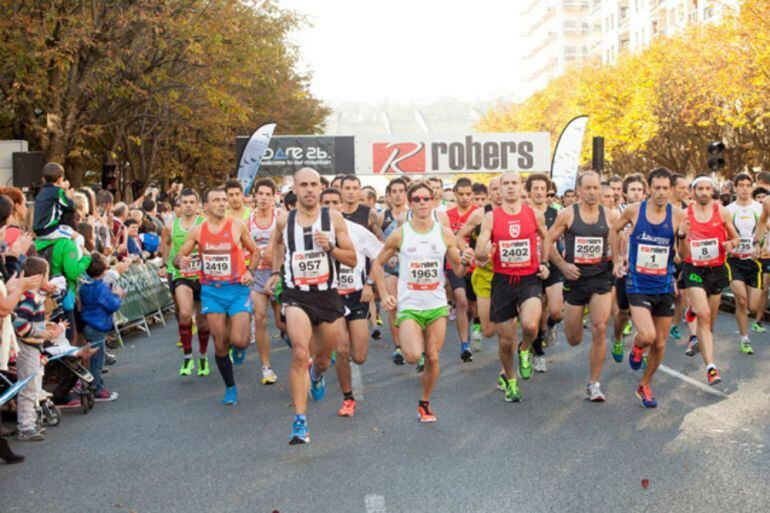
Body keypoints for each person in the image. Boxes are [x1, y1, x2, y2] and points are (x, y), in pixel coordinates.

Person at [264, 168, 357, 445]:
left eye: (313, 184)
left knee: (322, 358)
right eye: (303, 184)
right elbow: (278, 246)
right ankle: (300, 421)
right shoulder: (284, 220)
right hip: (296, 295)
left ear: (321, 187)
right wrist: (275, 272)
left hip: (327, 295)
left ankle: (317, 374)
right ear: (294, 188)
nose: (308, 189)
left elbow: (352, 259)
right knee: (299, 352)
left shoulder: (334, 218)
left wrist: (330, 248)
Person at [372, 180, 474, 422]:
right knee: (412, 355)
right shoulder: (401, 233)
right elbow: (377, 263)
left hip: (436, 305)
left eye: (425, 198)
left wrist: (466, 261)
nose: (421, 203)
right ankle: (415, 364)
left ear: (433, 201)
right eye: (416, 199)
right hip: (409, 306)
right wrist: (385, 295)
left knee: (433, 356)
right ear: (410, 203)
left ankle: (425, 402)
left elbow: (457, 271)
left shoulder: (444, 233)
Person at [174, 187, 258, 405]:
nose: (222, 203)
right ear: (206, 206)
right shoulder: (198, 231)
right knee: (220, 343)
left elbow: (255, 251)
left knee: (240, 340)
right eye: (217, 200)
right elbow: (179, 256)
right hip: (212, 292)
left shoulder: (237, 226)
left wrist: (250, 270)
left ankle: (239, 348)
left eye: (224, 200)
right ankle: (230, 387)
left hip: (237, 289)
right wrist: (179, 261)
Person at [611, 168, 684, 407]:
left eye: (665, 188)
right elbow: (614, 230)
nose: (661, 193)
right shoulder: (635, 210)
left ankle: (644, 385)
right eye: (657, 188)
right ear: (649, 188)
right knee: (648, 335)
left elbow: (681, 256)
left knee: (661, 344)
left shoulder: (678, 215)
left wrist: (683, 239)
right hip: (638, 283)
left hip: (663, 284)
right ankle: (637, 345)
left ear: (671, 190)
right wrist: (617, 258)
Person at [475, 171, 550, 401]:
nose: (509, 187)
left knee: (529, 325)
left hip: (529, 278)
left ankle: (525, 348)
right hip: (503, 281)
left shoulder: (534, 215)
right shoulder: (491, 217)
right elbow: (480, 249)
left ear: (521, 187)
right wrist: (482, 252)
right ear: (500, 189)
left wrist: (545, 262)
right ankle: (511, 381)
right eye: (505, 184)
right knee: (505, 340)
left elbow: (546, 237)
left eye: (513, 183)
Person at [545, 171, 620, 402]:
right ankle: (551, 326)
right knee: (574, 339)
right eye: (587, 188)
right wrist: (562, 265)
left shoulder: (609, 216)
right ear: (579, 189)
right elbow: (547, 241)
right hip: (574, 280)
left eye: (595, 188)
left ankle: (594, 383)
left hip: (600, 278)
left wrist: (617, 264)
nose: (591, 192)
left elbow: (616, 243)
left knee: (599, 328)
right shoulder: (567, 214)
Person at [321, 188, 383, 417]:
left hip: (356, 295)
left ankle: (324, 369)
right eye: (325, 202)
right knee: (342, 349)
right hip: (330, 297)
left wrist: (370, 284)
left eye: (335, 202)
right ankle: (348, 398)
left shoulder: (357, 230)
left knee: (359, 356)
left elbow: (378, 255)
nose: (331, 207)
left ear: (342, 206)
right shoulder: (313, 233)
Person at [680, 175, 739, 385]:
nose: (704, 192)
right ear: (693, 191)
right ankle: (711, 368)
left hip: (716, 269)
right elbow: (679, 246)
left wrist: (731, 244)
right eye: (700, 189)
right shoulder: (684, 214)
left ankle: (692, 312)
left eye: (707, 188)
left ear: (712, 191)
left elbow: (735, 237)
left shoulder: (721, 211)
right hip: (694, 268)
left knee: (709, 322)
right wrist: (680, 236)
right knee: (704, 316)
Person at [160, 188, 210, 377]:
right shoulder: (170, 226)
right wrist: (166, 264)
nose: (188, 206)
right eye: (185, 202)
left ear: (197, 205)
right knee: (185, 313)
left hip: (203, 275)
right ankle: (188, 356)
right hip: (181, 274)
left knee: (204, 323)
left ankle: (203, 356)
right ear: (179, 205)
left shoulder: (204, 224)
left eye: (191, 202)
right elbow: (165, 244)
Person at [13, 257, 61, 441]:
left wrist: (44, 324)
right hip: (28, 346)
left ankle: (32, 421)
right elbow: (21, 324)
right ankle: (26, 426)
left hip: (33, 345)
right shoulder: (30, 298)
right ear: (40, 277)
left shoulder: (32, 297)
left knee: (32, 386)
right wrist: (41, 331)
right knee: (28, 387)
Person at [525, 173, 561, 372]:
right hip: (531, 268)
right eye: (535, 189)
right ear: (528, 192)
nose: (539, 192)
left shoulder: (557, 214)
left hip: (553, 265)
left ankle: (551, 324)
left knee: (556, 311)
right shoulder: (523, 213)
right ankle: (538, 353)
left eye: (542, 189)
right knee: (536, 312)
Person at [724, 173, 763, 355]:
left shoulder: (760, 208)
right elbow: (721, 235)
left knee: (753, 307)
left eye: (748, 185)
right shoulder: (728, 210)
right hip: (734, 261)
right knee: (741, 300)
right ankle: (744, 338)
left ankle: (745, 320)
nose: (745, 188)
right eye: (742, 185)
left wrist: (761, 245)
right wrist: (728, 244)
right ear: (735, 188)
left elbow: (766, 231)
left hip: (754, 262)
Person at [247, 178, 280, 385]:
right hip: (257, 277)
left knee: (282, 322)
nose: (264, 198)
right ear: (255, 196)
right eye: (261, 194)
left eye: (268, 194)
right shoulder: (247, 221)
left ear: (273, 197)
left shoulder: (281, 218)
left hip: (277, 274)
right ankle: (266, 367)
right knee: (260, 319)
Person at [79, 253, 123, 401]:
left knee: (90, 358)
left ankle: (89, 385)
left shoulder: (85, 287)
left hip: (87, 324)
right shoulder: (101, 288)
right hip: (97, 325)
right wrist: (118, 296)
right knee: (97, 360)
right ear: (104, 270)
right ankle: (97, 389)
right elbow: (113, 305)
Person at [445, 178, 478, 362]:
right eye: (461, 194)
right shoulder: (447, 216)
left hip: (475, 266)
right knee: (461, 302)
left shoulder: (478, 214)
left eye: (468, 194)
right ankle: (464, 344)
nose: (465, 198)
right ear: (455, 194)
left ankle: (470, 325)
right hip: (455, 264)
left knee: (471, 306)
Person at [32, 163, 76, 240]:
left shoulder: (41, 193)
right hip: (50, 230)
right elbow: (70, 205)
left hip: (38, 231)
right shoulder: (57, 191)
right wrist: (66, 193)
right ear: (60, 179)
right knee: (79, 238)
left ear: (44, 179)